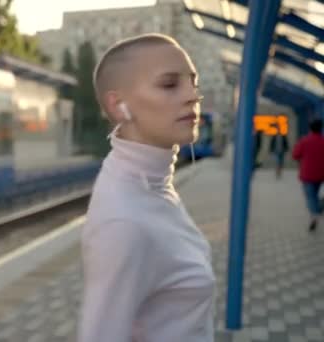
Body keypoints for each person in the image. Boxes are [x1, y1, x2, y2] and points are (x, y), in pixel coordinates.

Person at [79, 33, 215, 342]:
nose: (192, 95)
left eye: (192, 81)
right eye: (169, 84)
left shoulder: (151, 184)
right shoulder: (124, 223)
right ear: (119, 105)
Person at [292, 119, 324, 231]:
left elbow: (295, 155)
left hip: (308, 174)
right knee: (314, 195)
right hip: (321, 174)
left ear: (310, 128)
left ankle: (314, 216)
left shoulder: (304, 141)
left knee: (310, 197)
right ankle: (318, 209)